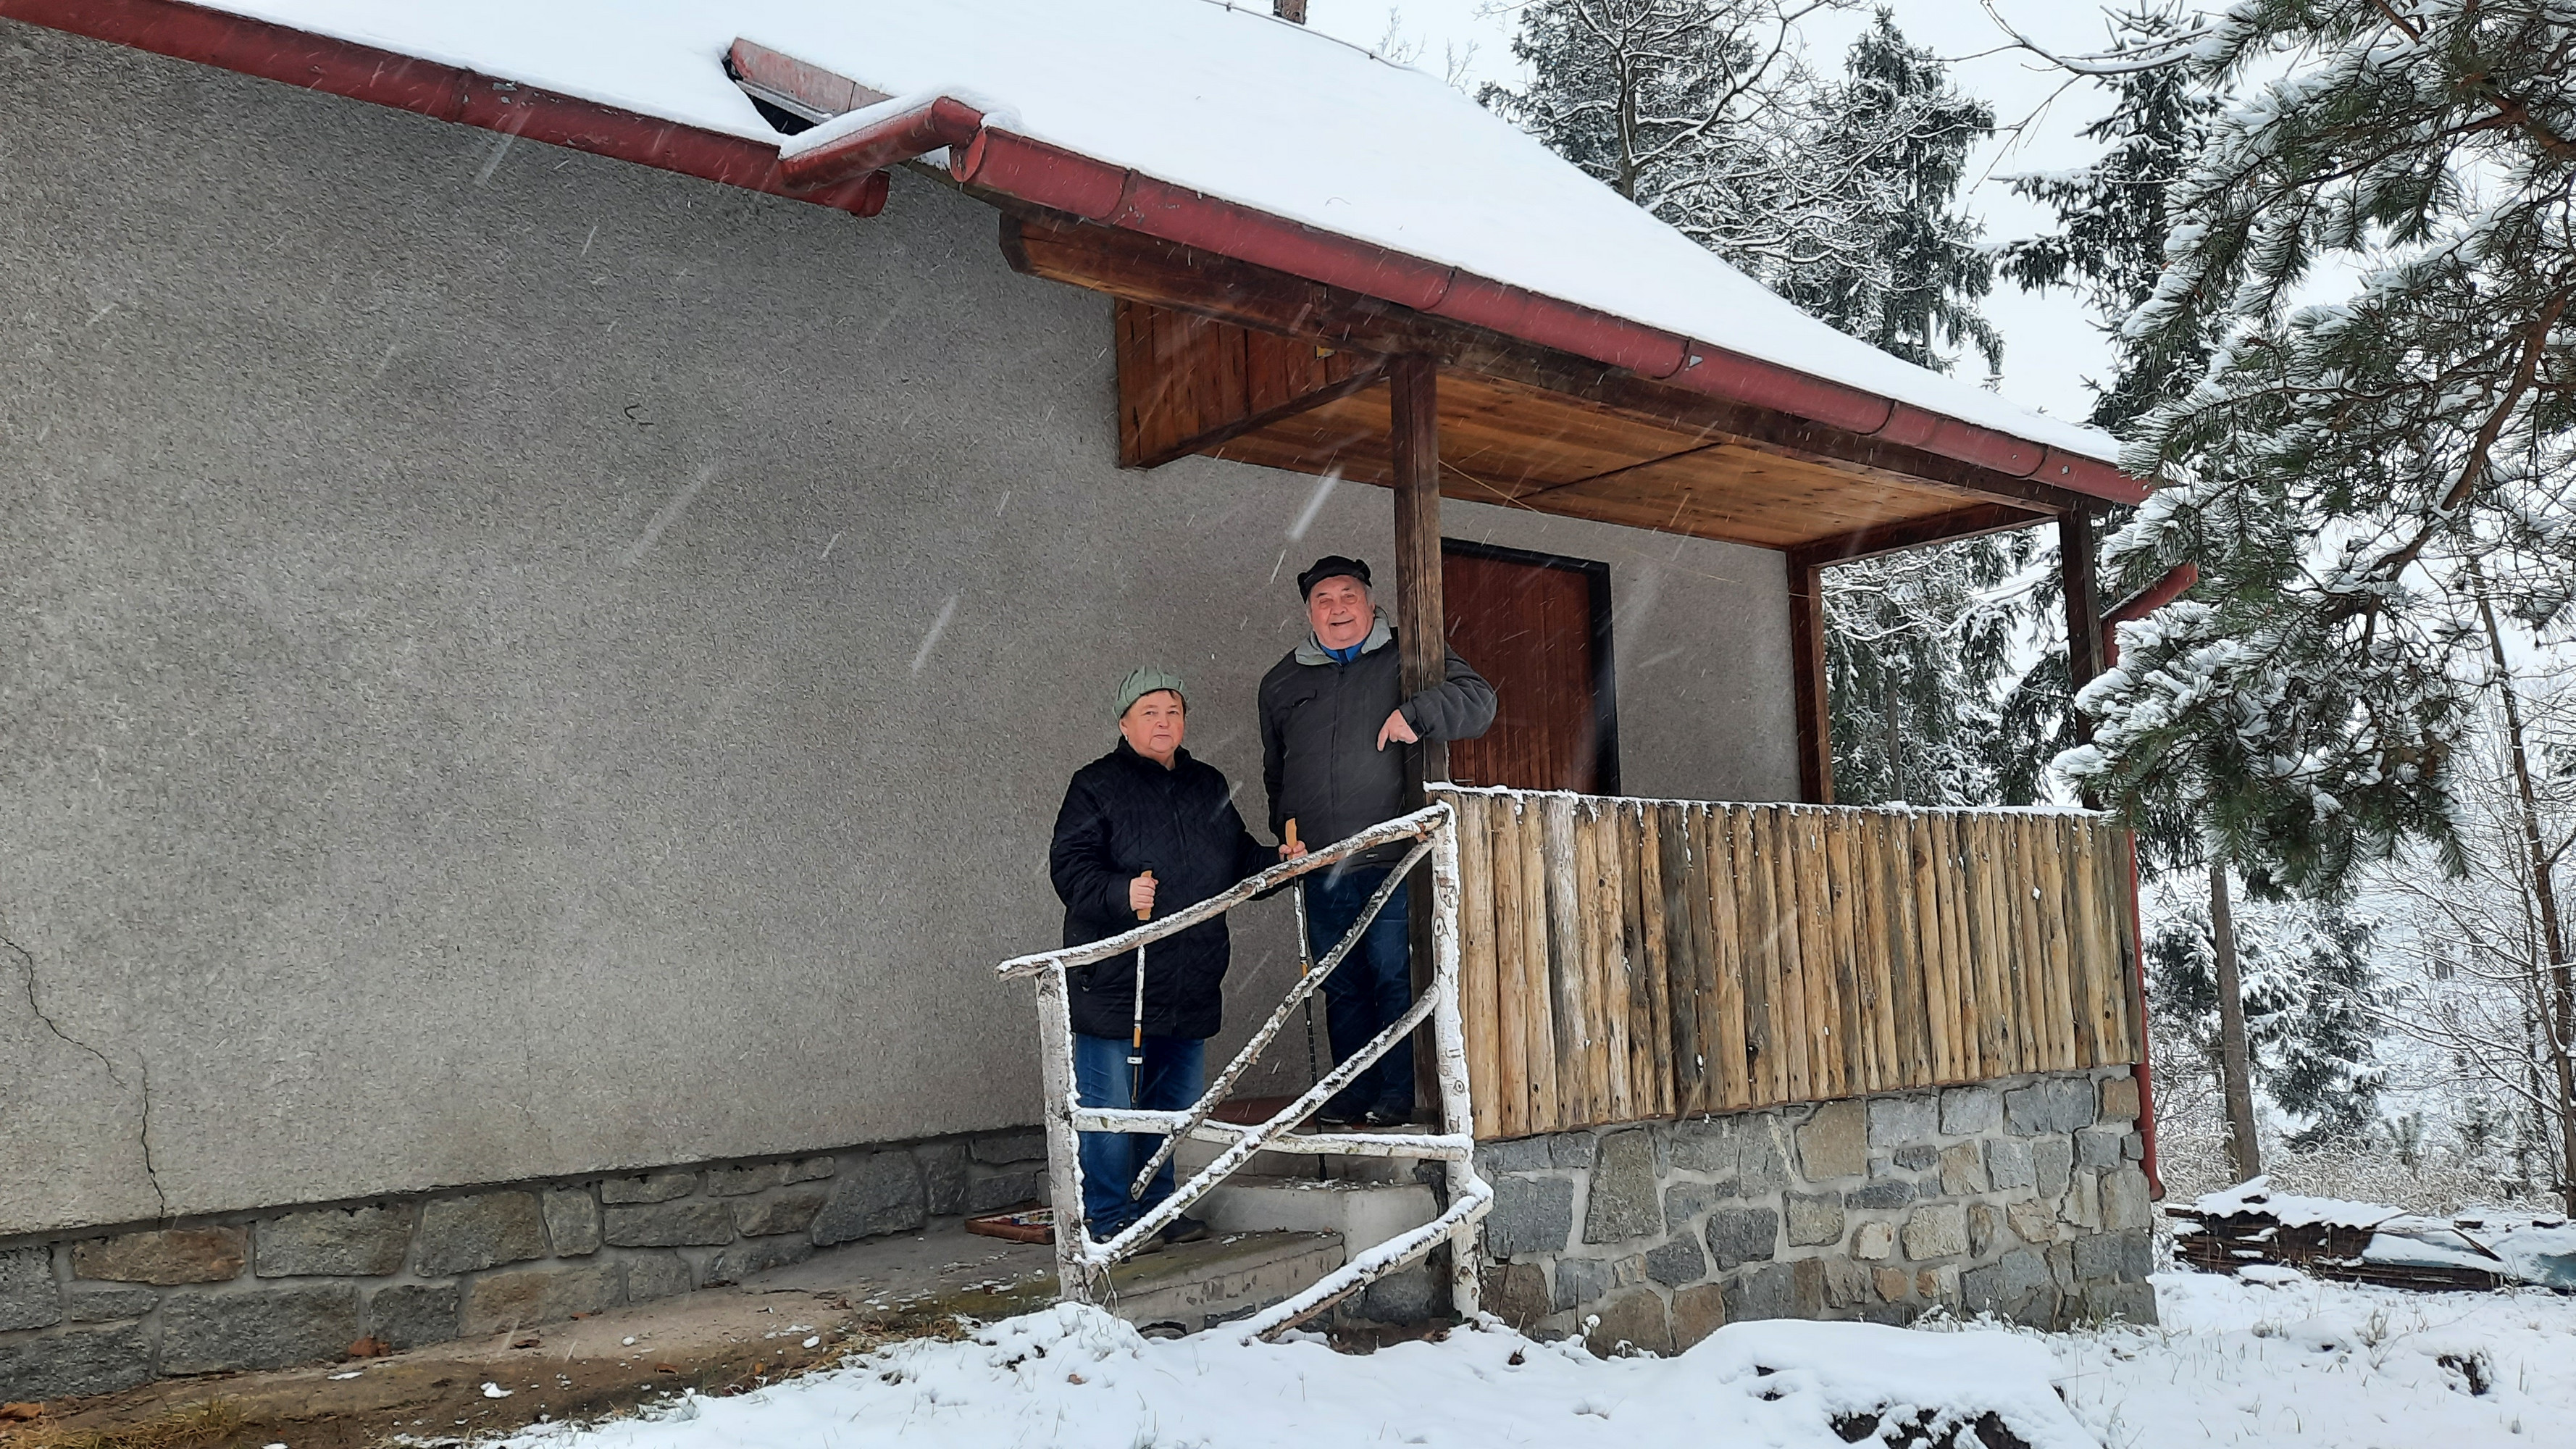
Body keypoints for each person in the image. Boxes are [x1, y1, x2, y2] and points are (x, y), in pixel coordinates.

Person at [1048, 667, 1298, 1247]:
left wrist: (1281, 864)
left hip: (1190, 975)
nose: (1163, 723)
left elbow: (1238, 863)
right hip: (1117, 979)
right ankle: (1108, 1217)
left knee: (1172, 1108)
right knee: (1111, 1109)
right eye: (1149, 712)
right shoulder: (1096, 785)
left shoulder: (1206, 785)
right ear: (1124, 724)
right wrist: (1120, 892)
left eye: (1173, 712)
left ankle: (1159, 1209)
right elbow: (1070, 867)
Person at [1260, 556, 1494, 1127]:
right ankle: (1350, 1092)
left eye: (1348, 596)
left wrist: (1418, 712)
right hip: (1321, 864)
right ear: (1309, 613)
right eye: (1324, 600)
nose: (1337, 609)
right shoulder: (1282, 682)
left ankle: (1398, 1093)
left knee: (1394, 977)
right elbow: (1276, 772)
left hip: (1393, 857)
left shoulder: (1408, 656)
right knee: (1340, 983)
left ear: (1369, 602)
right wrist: (1286, 833)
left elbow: (1479, 701)